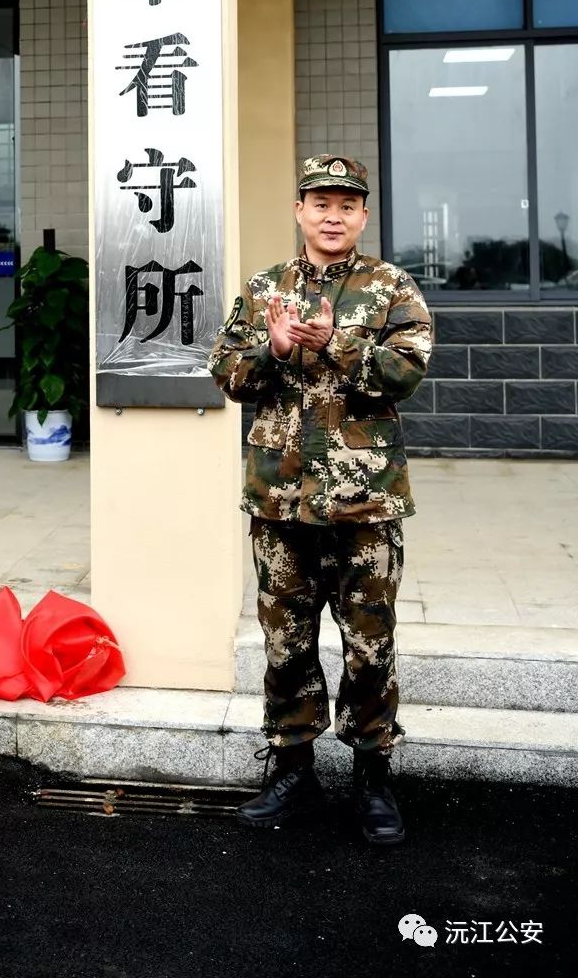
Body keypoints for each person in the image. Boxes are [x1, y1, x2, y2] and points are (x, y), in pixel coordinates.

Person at [208, 154, 432, 846]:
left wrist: (337, 343)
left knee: (370, 644)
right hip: (281, 500)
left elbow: (406, 372)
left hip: (365, 502)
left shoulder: (391, 287)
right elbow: (227, 372)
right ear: (300, 211)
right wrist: (274, 351)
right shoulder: (265, 288)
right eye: (320, 203)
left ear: (363, 215)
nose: (333, 217)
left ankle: (373, 776)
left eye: (347, 205)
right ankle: (291, 770)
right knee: (286, 643)